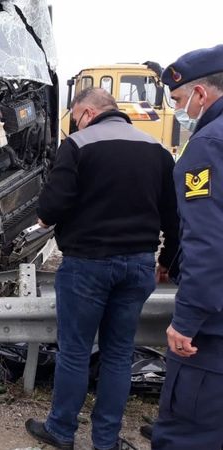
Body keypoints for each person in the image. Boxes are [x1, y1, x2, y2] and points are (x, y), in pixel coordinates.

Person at [24, 88, 179, 450]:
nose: (75, 124)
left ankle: (61, 431)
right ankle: (106, 440)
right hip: (138, 265)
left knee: (76, 352)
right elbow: (174, 217)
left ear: (88, 113)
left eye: (76, 117)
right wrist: (167, 260)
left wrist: (46, 218)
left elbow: (51, 208)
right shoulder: (156, 149)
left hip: (88, 265)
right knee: (119, 354)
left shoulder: (78, 145)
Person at [151, 45, 223, 450]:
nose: (178, 109)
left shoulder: (208, 146)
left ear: (200, 94)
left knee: (187, 434)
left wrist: (186, 320)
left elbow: (209, 242)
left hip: (213, 330)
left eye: (178, 100)